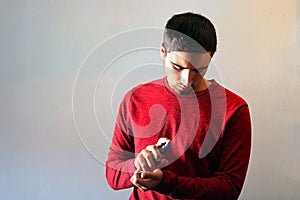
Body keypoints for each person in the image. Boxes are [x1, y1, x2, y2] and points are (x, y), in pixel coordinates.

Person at [106, 12, 251, 200]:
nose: (187, 80)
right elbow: (112, 176)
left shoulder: (234, 109)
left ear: (211, 57)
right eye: (178, 67)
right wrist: (137, 164)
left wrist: (166, 182)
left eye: (198, 69)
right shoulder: (136, 99)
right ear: (163, 52)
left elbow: (229, 189)